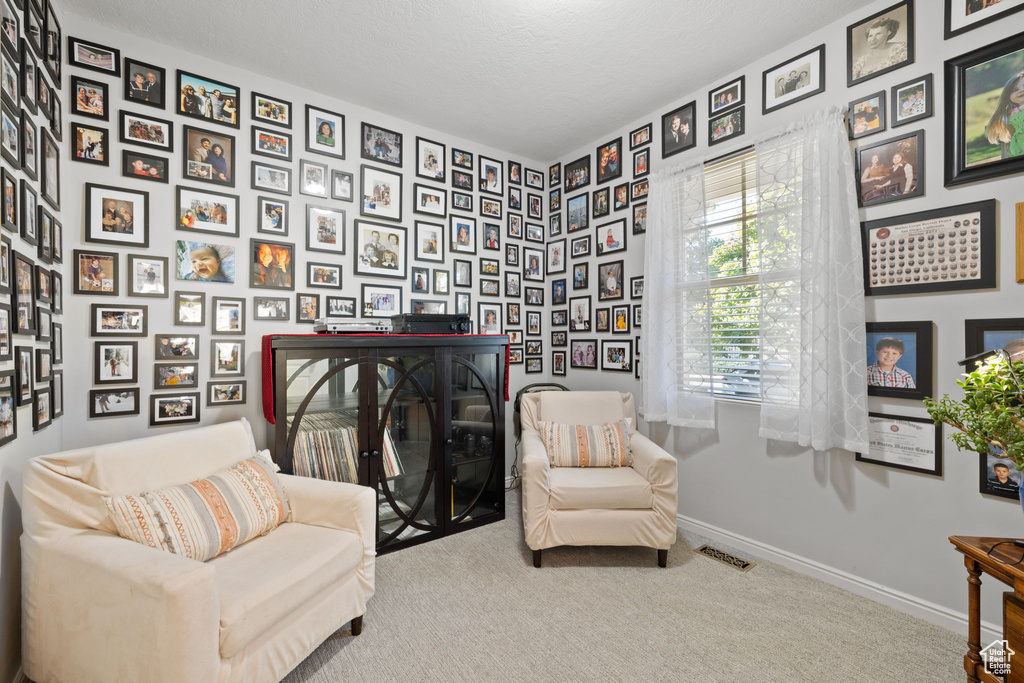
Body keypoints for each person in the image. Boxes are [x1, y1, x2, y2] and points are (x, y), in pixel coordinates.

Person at [851, 16, 908, 81]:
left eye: (878, 34)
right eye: (870, 36)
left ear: (888, 33)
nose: (873, 39)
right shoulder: (861, 61)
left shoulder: (900, 49)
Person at [985, 71, 1024, 160]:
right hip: (1019, 153)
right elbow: (1012, 132)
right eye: (1015, 90)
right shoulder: (1010, 115)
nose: (1021, 90)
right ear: (1008, 96)